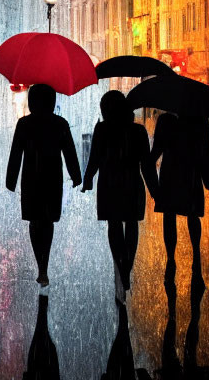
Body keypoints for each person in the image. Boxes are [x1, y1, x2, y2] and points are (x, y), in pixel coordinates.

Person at [82, 90, 158, 302]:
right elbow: (147, 166)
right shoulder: (138, 131)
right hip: (132, 183)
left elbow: (94, 157)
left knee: (114, 226)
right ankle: (127, 268)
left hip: (109, 184)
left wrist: (88, 179)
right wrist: (155, 190)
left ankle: (120, 261)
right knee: (132, 225)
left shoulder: (103, 129)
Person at [6, 83, 81, 286]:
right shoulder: (60, 124)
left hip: (31, 177)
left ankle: (40, 264)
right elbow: (70, 152)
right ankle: (44, 266)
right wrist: (76, 175)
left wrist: (11, 180)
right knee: (47, 221)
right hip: (52, 177)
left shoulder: (24, 124)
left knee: (34, 220)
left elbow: (16, 154)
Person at [150, 112, 209, 291]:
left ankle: (171, 258)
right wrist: (208, 180)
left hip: (170, 173)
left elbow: (156, 150)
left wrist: (153, 183)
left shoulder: (165, 120)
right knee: (192, 215)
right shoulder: (199, 118)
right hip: (191, 173)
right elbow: (204, 151)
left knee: (169, 216)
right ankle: (196, 257)